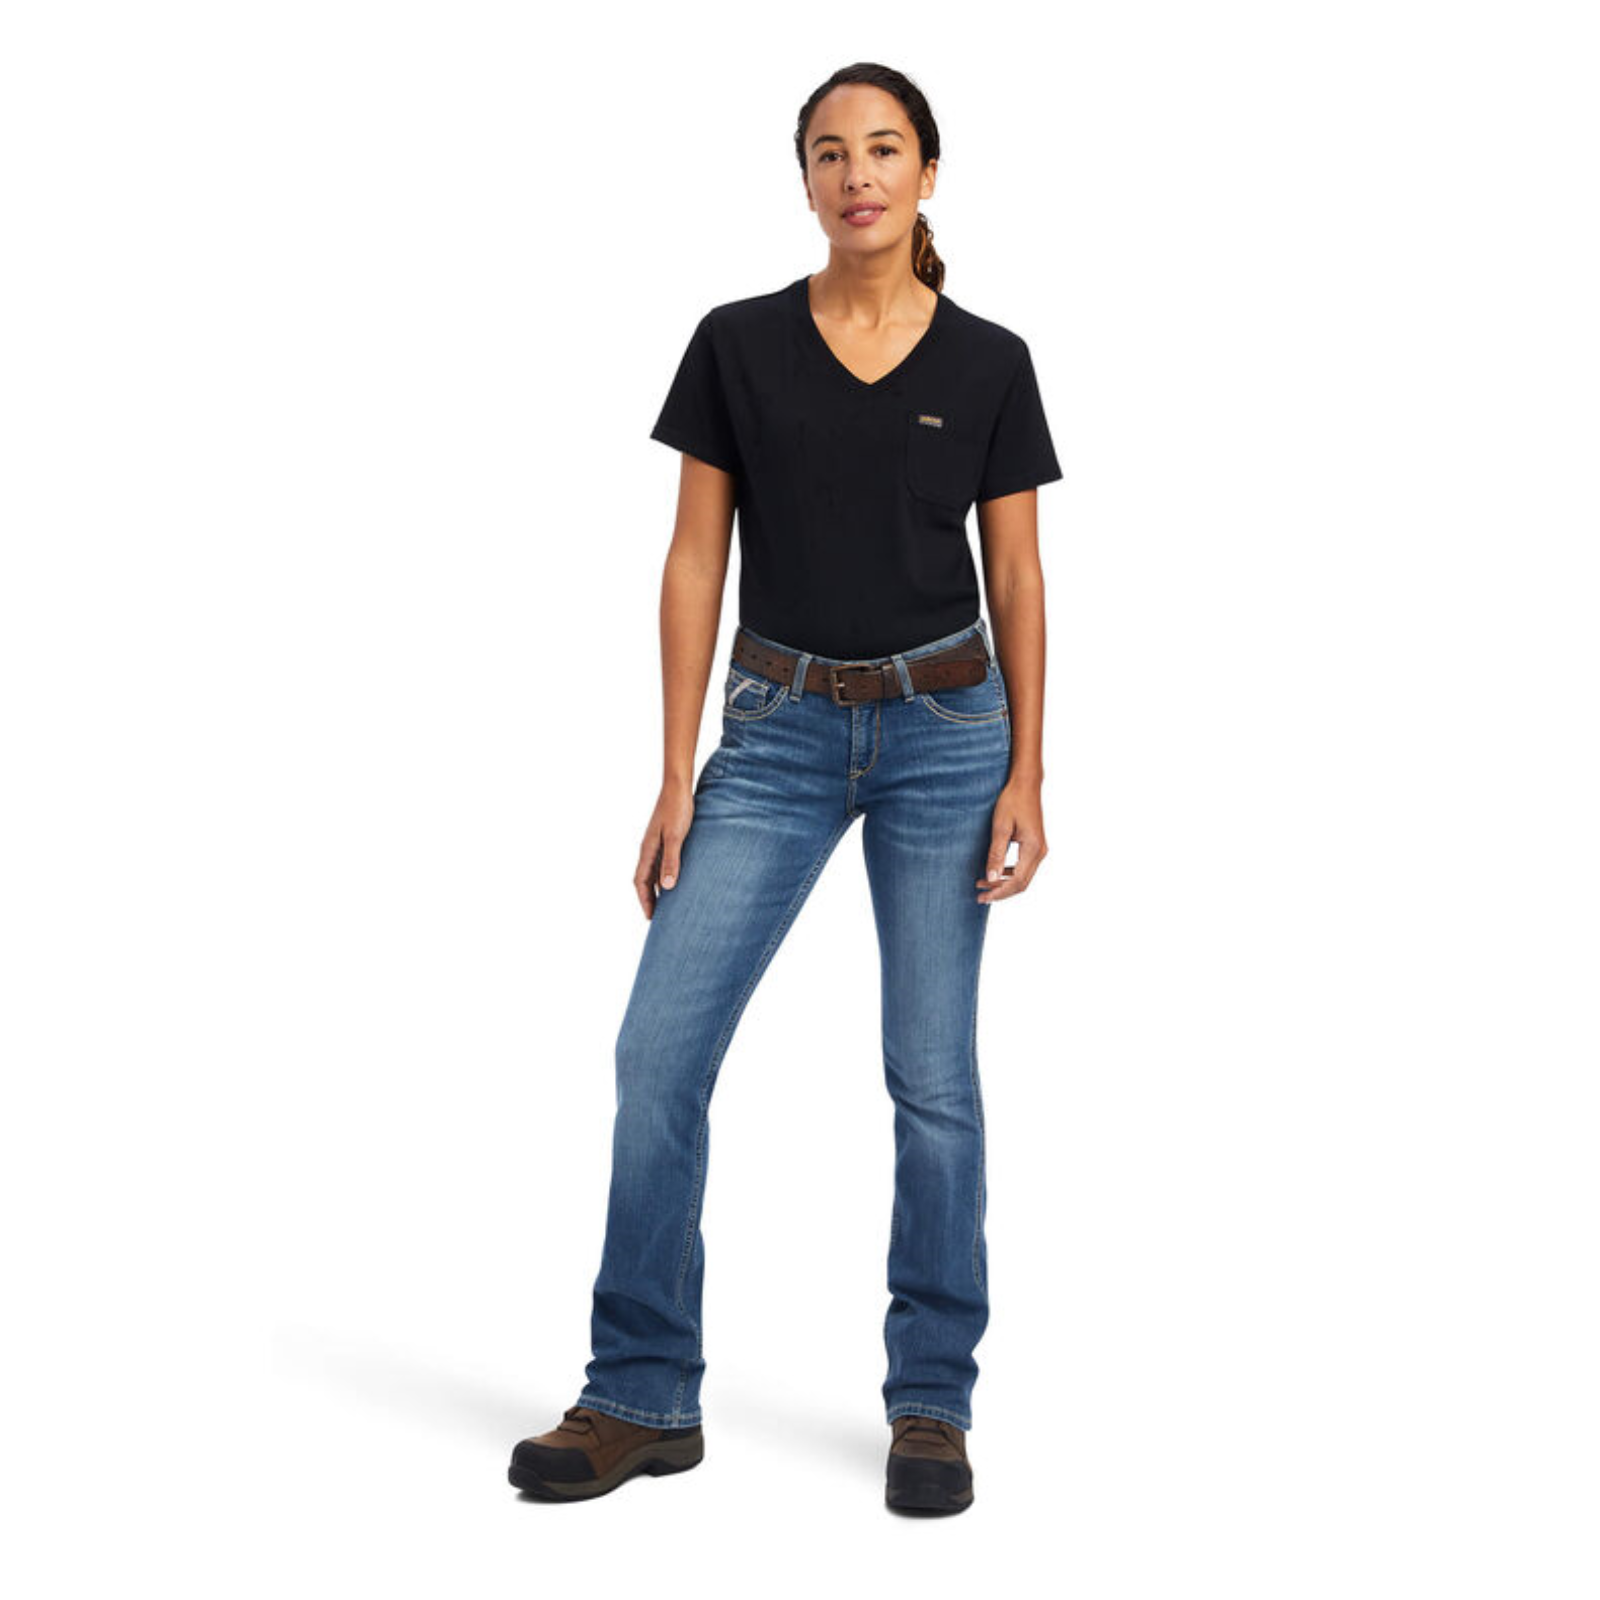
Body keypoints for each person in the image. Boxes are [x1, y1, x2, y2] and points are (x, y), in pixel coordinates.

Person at [508, 62, 1062, 1516]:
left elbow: (1016, 575)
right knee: (658, 1051)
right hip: (776, 733)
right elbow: (695, 555)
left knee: (931, 1075)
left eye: (883, 148)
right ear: (804, 179)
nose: (856, 174)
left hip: (949, 732)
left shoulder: (990, 362)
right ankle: (640, 1393)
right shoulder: (737, 345)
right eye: (829, 152)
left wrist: (1028, 768)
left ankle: (932, 1403)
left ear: (927, 171)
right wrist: (673, 772)